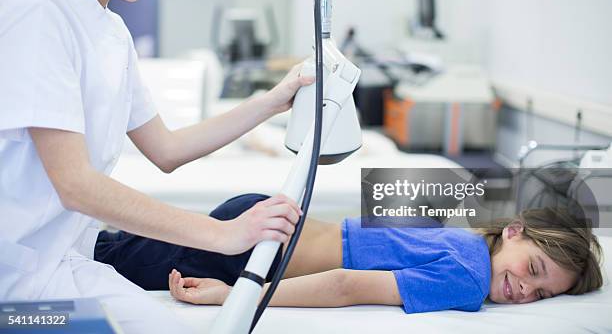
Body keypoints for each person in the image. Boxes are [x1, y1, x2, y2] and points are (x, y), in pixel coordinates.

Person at [0, 0, 311, 332]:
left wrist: (272, 101)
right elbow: (75, 184)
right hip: (15, 280)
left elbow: (166, 148)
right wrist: (223, 234)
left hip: (61, 259)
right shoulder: (38, 15)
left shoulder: (111, 31)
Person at [96, 193, 604, 313]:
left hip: (265, 222)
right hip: (253, 254)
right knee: (103, 261)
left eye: (541, 294)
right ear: (514, 233)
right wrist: (238, 295)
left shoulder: (463, 239)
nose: (524, 290)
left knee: (110, 250)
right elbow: (345, 284)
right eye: (533, 269)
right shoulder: (469, 277)